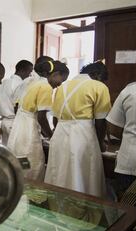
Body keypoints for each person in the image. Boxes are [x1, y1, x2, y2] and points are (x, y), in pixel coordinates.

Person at [45, 61, 111, 198]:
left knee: (60, 173)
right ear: (97, 75)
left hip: (60, 135)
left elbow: (56, 119)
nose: (103, 82)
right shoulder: (98, 87)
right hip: (83, 134)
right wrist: (100, 143)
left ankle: (59, 207)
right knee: (82, 175)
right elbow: (100, 121)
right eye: (102, 79)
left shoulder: (62, 87)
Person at [7, 60, 69, 181]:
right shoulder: (46, 87)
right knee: (32, 163)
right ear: (55, 74)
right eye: (62, 80)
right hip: (28, 128)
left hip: (20, 125)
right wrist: (51, 136)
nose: (60, 84)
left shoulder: (34, 82)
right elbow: (41, 117)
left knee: (20, 160)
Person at [106, 81, 136, 202]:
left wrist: (129, 137)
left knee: (128, 211)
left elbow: (114, 128)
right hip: (131, 165)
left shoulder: (131, 90)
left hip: (130, 162)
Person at [0, 60, 33, 144]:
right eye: (29, 72)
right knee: (16, 153)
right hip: (15, 122)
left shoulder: (3, 83)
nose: (29, 76)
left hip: (4, 123)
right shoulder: (21, 84)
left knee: (7, 151)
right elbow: (17, 107)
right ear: (23, 70)